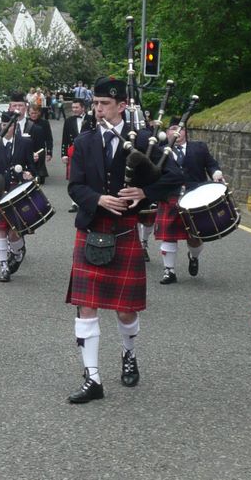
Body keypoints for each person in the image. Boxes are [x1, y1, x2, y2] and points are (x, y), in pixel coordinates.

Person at [64, 76, 182, 404]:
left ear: (121, 106)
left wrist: (145, 192)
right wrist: (99, 199)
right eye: (95, 104)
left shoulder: (142, 139)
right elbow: (75, 186)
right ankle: (92, 378)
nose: (98, 110)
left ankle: (129, 354)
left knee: (125, 311)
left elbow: (175, 176)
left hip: (125, 230)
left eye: (105, 104)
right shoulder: (85, 141)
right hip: (92, 227)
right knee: (85, 306)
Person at [153, 123, 225, 284]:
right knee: (168, 236)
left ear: (186, 132)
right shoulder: (159, 151)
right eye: (172, 128)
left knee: (195, 237)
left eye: (181, 128)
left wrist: (215, 174)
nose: (177, 131)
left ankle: (194, 256)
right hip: (170, 196)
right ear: (166, 132)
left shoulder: (199, 148)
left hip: (195, 197)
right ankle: (169, 271)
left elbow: (211, 164)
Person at [0, 111, 36, 282]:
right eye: (4, 125)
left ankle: (18, 254)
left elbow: (33, 168)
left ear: (15, 126)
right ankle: (4, 266)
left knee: (15, 233)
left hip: (18, 191)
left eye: (10, 125)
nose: (6, 128)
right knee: (0, 230)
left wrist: (29, 173)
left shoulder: (25, 143)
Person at [62, 98, 94, 210]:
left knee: (88, 176)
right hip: (73, 152)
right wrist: (63, 154)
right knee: (74, 177)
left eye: (76, 107)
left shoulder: (91, 119)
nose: (74, 110)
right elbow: (65, 138)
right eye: (73, 108)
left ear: (83, 108)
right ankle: (74, 203)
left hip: (89, 152)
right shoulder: (69, 120)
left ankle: (86, 200)